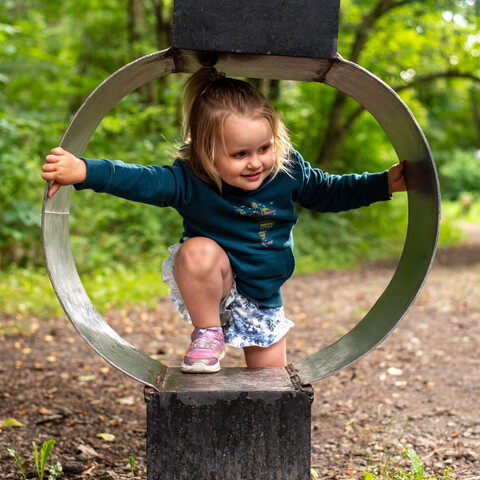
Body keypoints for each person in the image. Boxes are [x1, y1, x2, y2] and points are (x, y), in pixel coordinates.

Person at [43, 66, 406, 374]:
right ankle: (208, 333)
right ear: (204, 151)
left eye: (264, 148)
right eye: (239, 154)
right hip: (215, 283)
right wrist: (85, 170)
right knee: (196, 252)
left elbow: (331, 192)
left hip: (262, 296)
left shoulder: (285, 170)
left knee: (270, 385)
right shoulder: (189, 179)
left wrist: (384, 183)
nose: (255, 163)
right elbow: (141, 179)